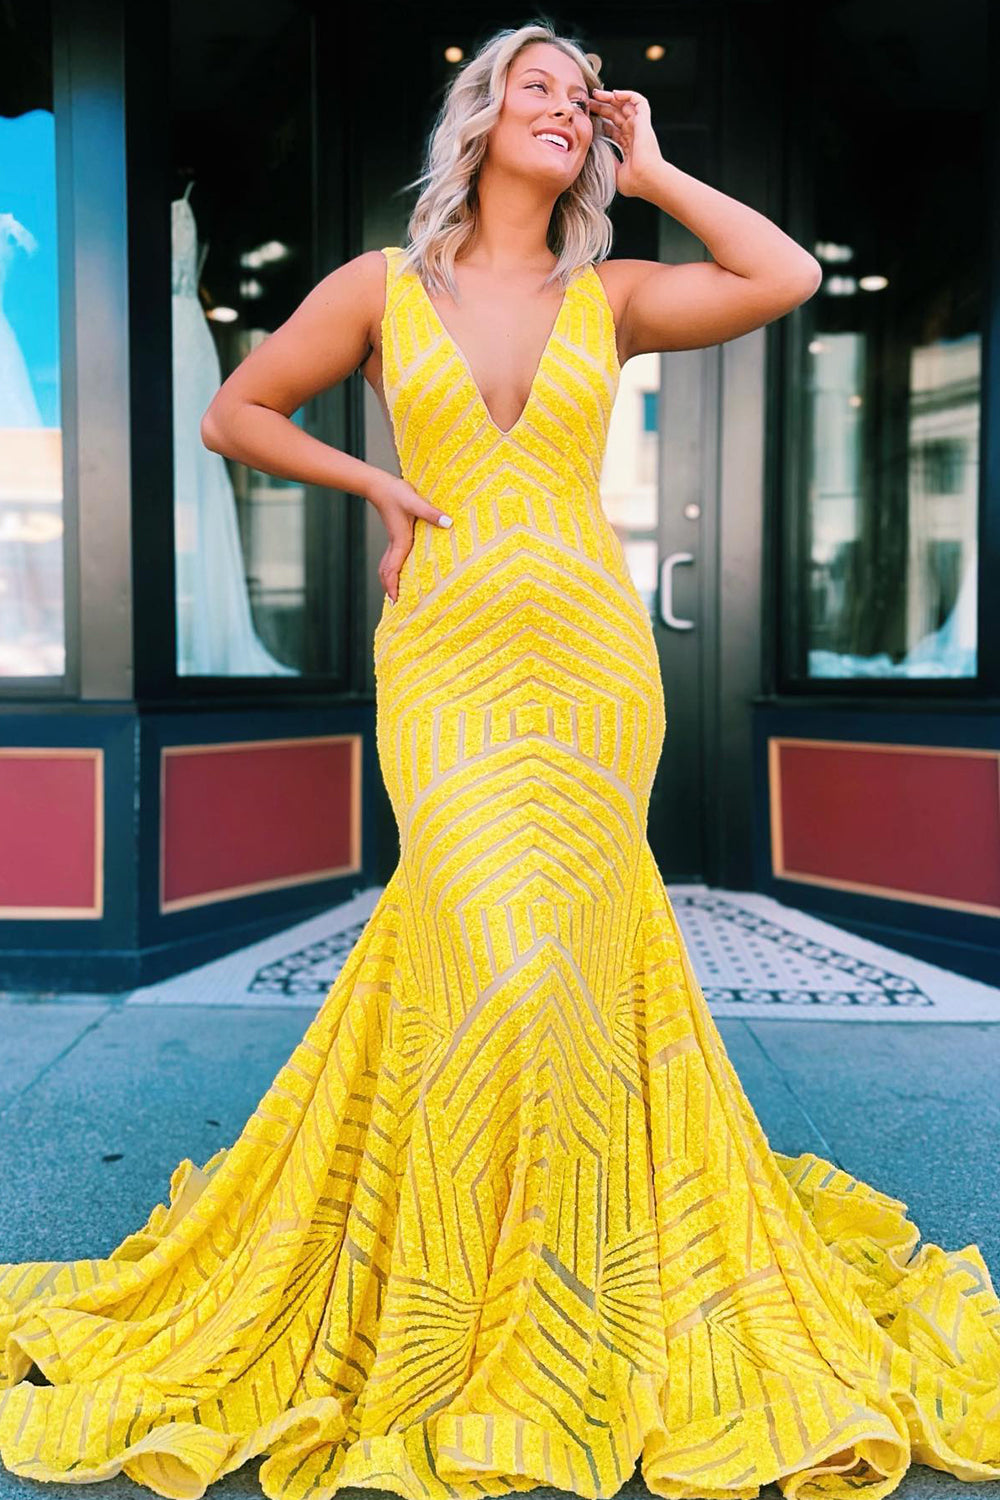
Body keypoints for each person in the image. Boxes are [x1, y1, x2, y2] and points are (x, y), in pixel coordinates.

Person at [2, 22, 998, 1500]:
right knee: (497, 952)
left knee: (569, 966)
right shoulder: (380, 289)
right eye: (536, 82)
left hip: (598, 672)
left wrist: (657, 168)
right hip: (449, 664)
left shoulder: (617, 293)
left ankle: (561, 1281)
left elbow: (784, 277)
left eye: (581, 94)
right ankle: (458, 1294)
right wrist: (382, 485)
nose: (564, 103)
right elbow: (235, 411)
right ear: (478, 117)